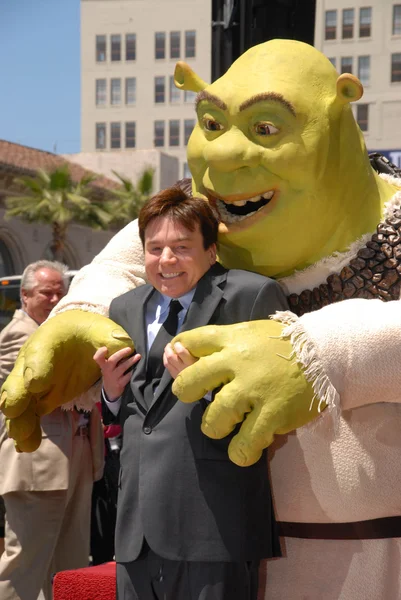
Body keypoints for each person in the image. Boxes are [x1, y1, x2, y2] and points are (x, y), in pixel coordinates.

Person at [93, 187, 288, 600]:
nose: (165, 261)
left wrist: (205, 389)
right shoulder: (124, 307)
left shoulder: (252, 295)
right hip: (136, 530)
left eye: (181, 247)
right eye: (155, 248)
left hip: (213, 524)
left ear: (211, 251)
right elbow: (134, 416)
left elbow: (274, 403)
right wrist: (111, 395)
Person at [0, 260, 104, 600]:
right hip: (37, 460)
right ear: (25, 295)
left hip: (77, 454)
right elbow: (42, 388)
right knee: (26, 563)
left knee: (71, 562)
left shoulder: (61, 332)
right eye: (47, 292)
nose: (55, 298)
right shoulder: (18, 334)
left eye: (61, 292)